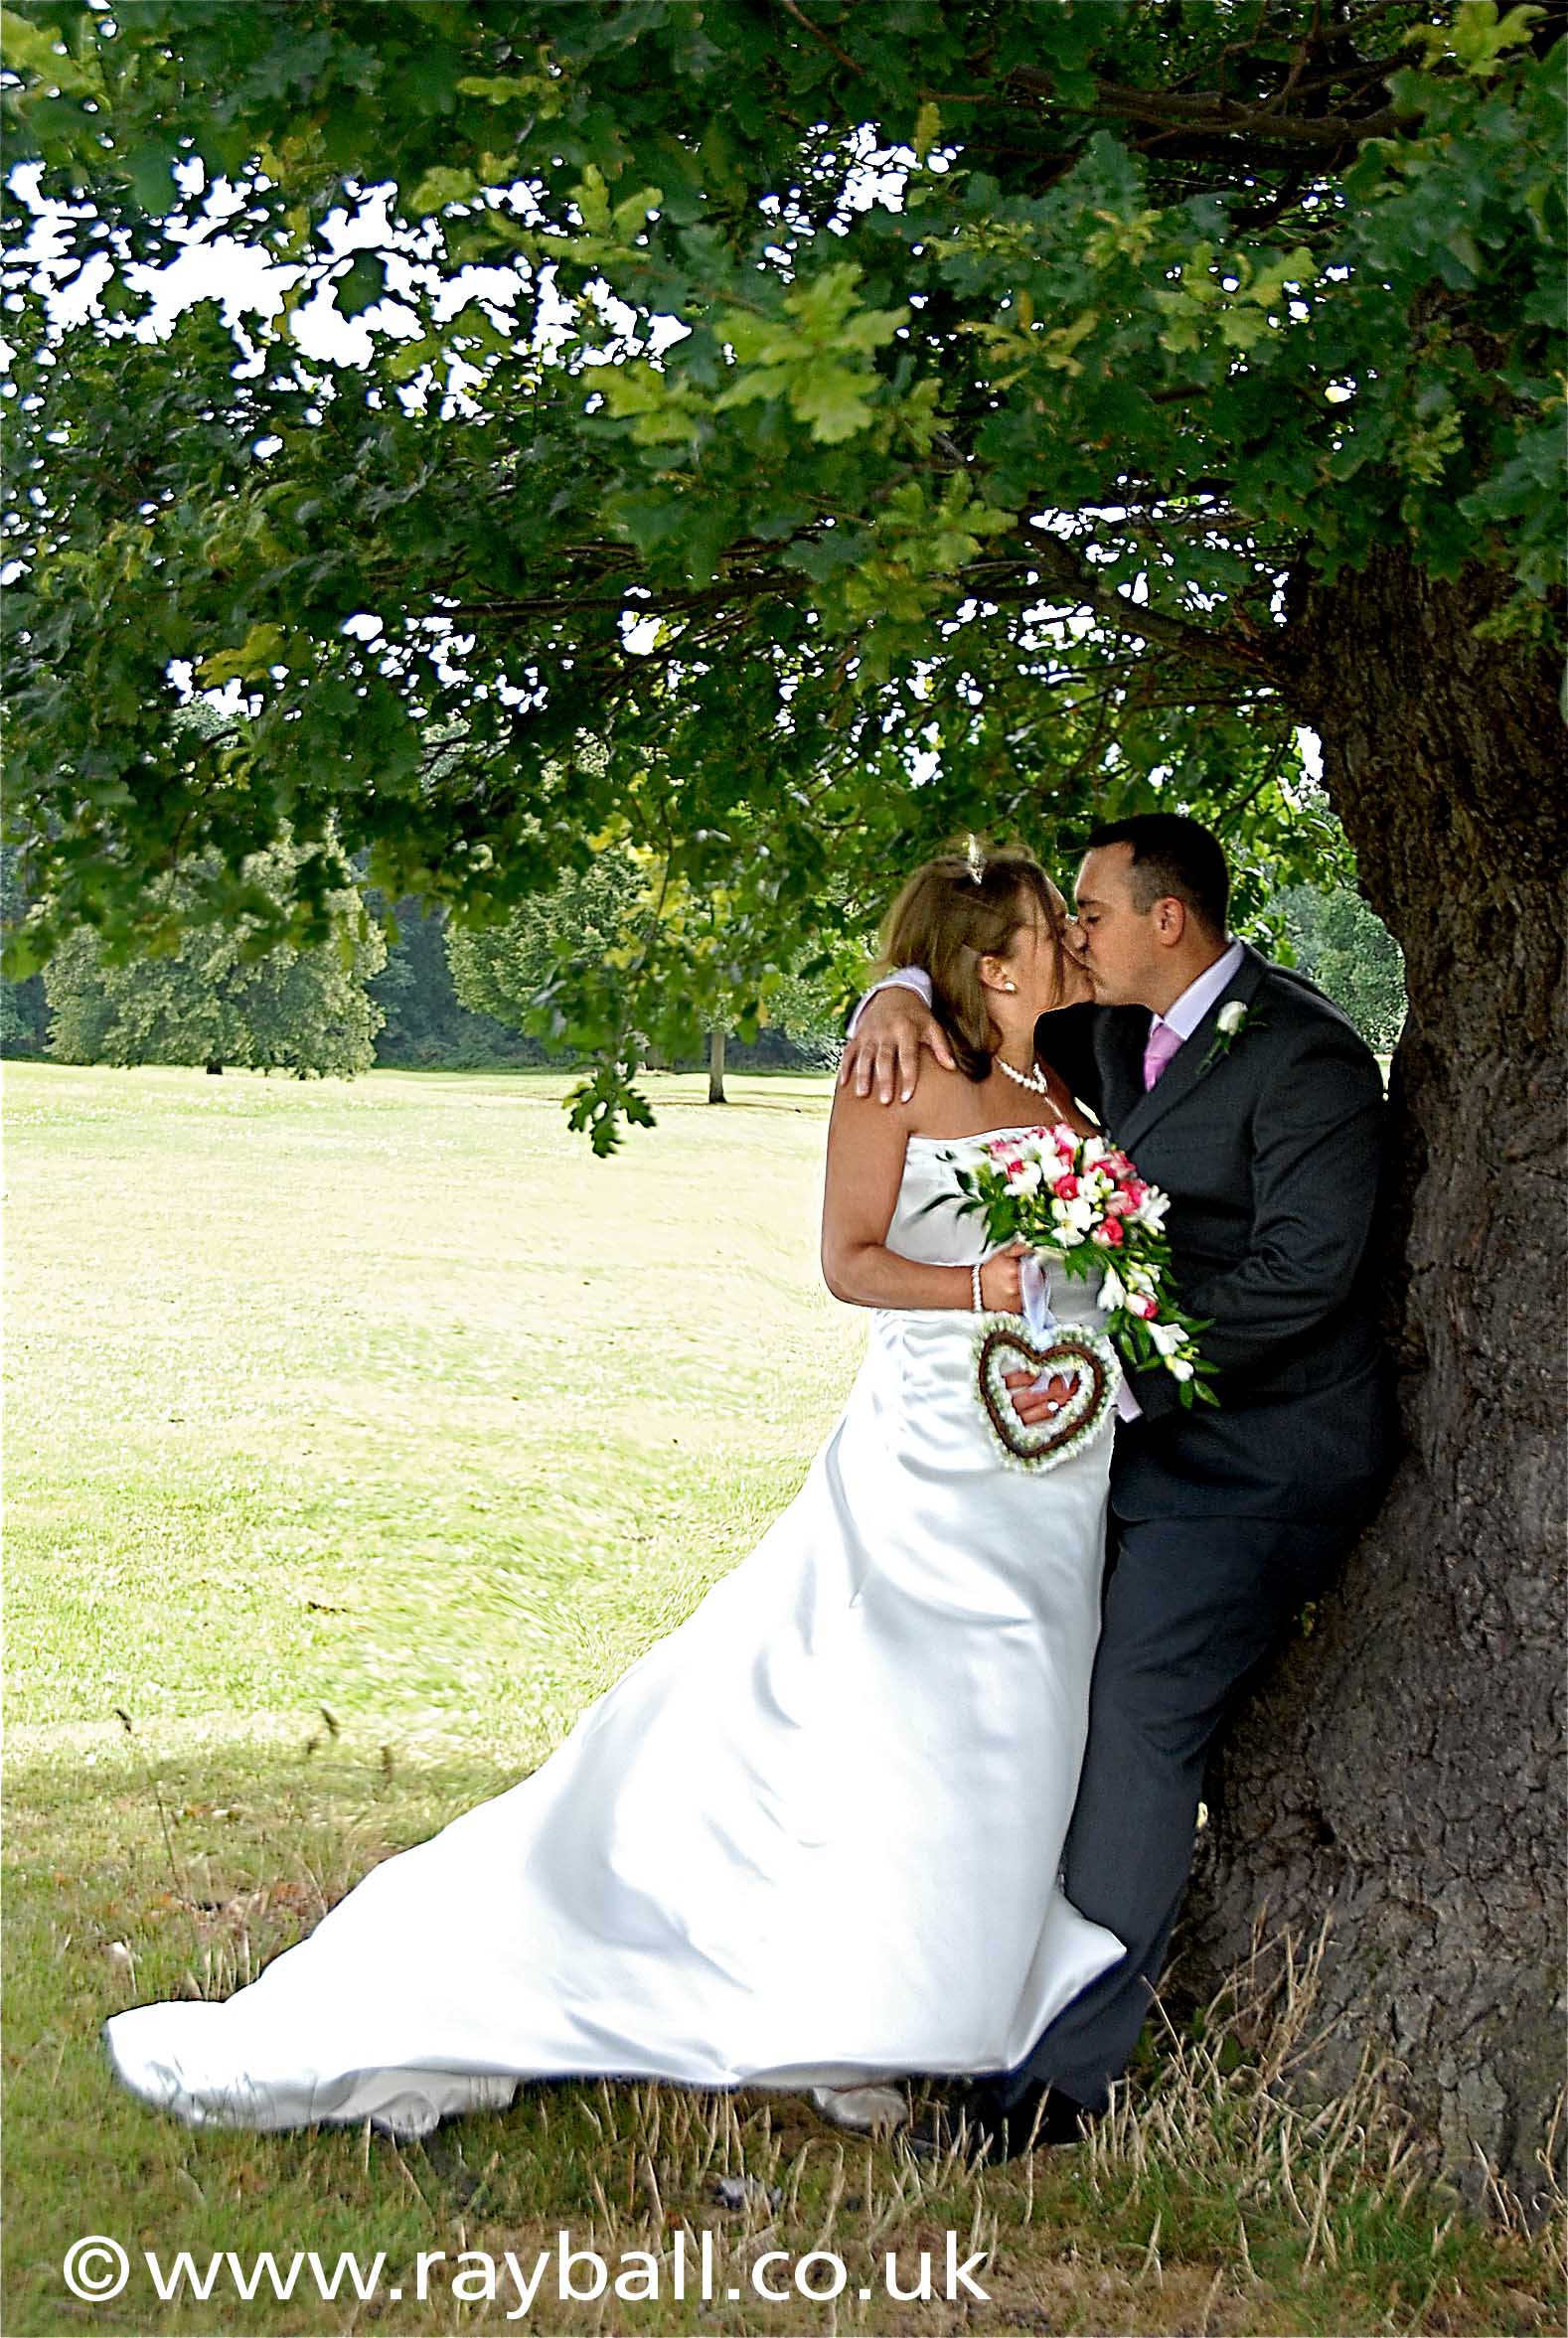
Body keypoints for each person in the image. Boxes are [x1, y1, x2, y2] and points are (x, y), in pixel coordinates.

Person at [103, 849, 1131, 2141]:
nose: (1073, 943)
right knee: (872, 1710)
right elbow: (847, 1261)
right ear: (994, 964)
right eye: (1052, 927)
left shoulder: (1078, 1075)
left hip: (1054, 1469)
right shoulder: (899, 1063)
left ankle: (905, 1997)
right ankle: (763, 1993)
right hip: (930, 1456)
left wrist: (896, 991)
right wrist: (970, 1242)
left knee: (998, 1733)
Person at [843, 813, 1390, 2157]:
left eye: (1086, 911)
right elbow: (976, 992)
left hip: (1256, 1465)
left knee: (1134, 1720)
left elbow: (1299, 1280)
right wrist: (892, 992)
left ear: (1168, 919)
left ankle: (1052, 2087)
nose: (1068, 934)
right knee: (994, 1688)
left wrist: (1106, 1356)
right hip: (1106, 1451)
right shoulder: (1106, 1034)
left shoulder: (1307, 1058)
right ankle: (939, 1997)